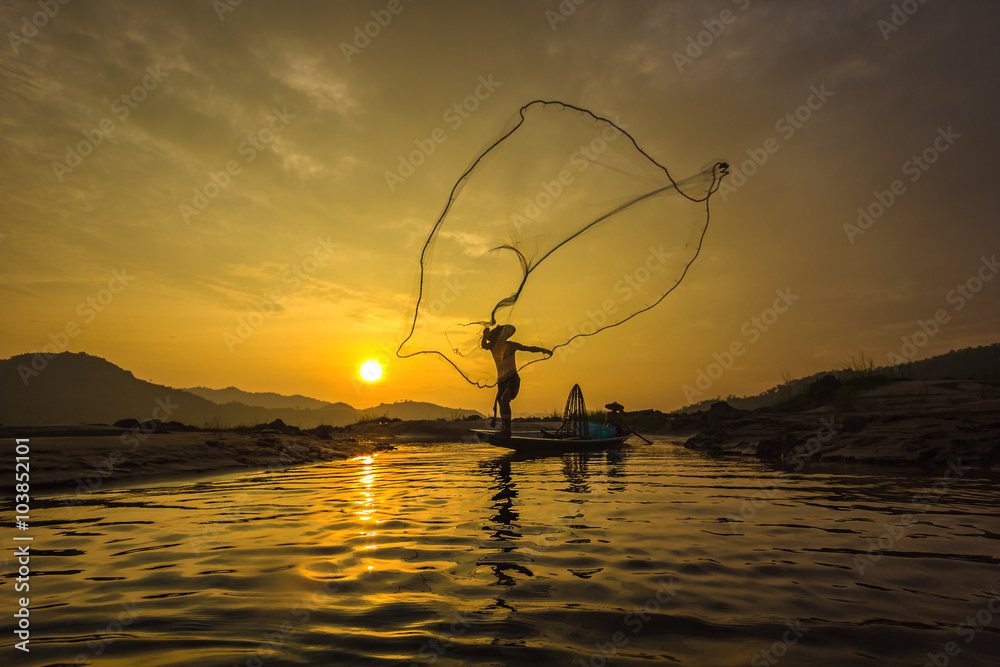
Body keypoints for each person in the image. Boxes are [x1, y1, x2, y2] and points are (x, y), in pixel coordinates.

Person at [481, 324, 551, 436]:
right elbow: (483, 345)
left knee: (504, 400)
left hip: (512, 379)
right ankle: (505, 428)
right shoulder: (493, 346)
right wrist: (484, 335)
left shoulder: (511, 345)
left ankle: (507, 430)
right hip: (501, 381)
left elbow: (528, 348)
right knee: (501, 402)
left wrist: (542, 349)